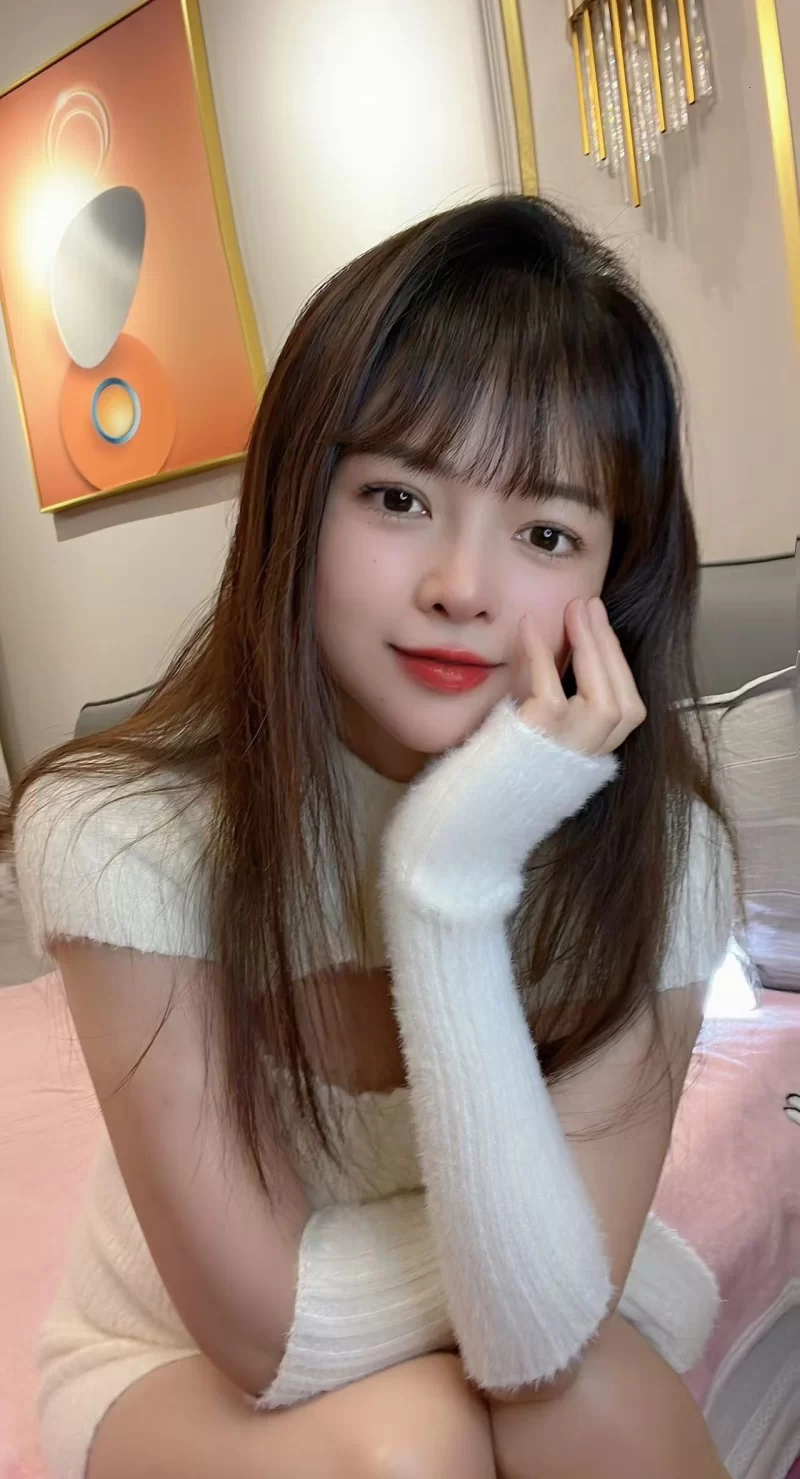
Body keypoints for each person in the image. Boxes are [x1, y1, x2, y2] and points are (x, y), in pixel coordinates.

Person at [8, 195, 738, 1479]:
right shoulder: (120, 832)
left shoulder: (662, 856)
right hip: (170, 1356)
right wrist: (551, 1263)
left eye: (545, 532)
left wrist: (448, 883)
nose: (460, 586)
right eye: (397, 498)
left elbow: (538, 1351)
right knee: (415, 1444)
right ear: (298, 500)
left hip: (502, 1323)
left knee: (593, 1405)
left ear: (610, 575)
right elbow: (267, 1329)